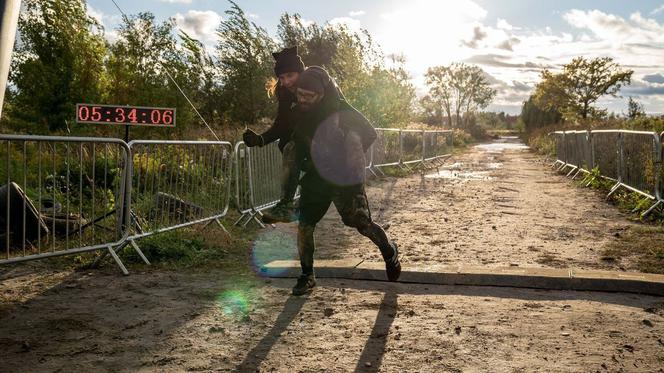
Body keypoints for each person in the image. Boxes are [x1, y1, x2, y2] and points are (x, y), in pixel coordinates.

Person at [290, 66, 401, 296]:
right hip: (315, 179)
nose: (303, 99)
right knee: (304, 226)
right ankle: (307, 275)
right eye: (300, 94)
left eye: (308, 96)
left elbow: (370, 133)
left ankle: (389, 252)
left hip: (344, 179)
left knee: (362, 224)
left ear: (321, 94)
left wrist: (352, 151)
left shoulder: (342, 110)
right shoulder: (299, 110)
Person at [242, 46, 303, 223]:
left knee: (291, 146)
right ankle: (288, 206)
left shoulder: (312, 84)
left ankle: (286, 204)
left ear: (300, 72)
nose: (286, 82)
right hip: (302, 148)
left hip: (327, 141)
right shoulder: (284, 92)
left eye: (290, 76)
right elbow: (281, 124)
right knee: (288, 145)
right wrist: (260, 139)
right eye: (282, 77)